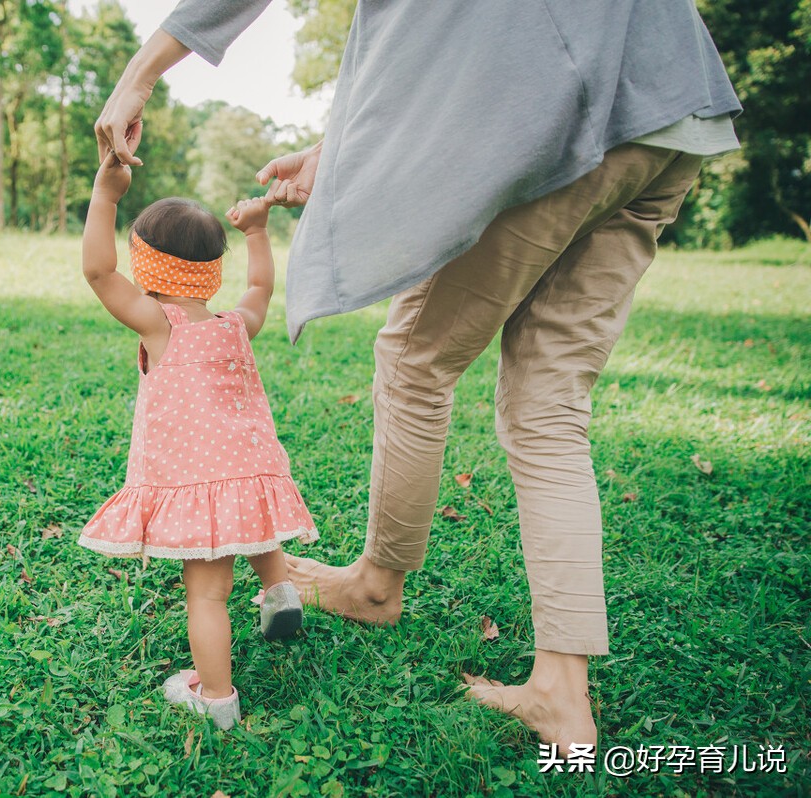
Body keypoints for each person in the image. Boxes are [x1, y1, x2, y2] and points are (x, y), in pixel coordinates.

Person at [93, 0, 741, 756]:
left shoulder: (159, 323)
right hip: (674, 102)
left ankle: (377, 585)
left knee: (415, 363)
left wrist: (141, 74)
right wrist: (334, 151)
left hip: (566, 112)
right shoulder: (232, 321)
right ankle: (563, 693)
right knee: (550, 409)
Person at [77, 147, 319, 730]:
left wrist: (105, 195)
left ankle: (216, 698)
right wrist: (258, 231)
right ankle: (279, 589)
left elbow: (97, 272)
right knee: (252, 522)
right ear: (210, 270)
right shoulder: (237, 323)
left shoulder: (159, 325)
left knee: (207, 596)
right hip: (251, 467)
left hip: (196, 481)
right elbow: (260, 283)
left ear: (149, 266)